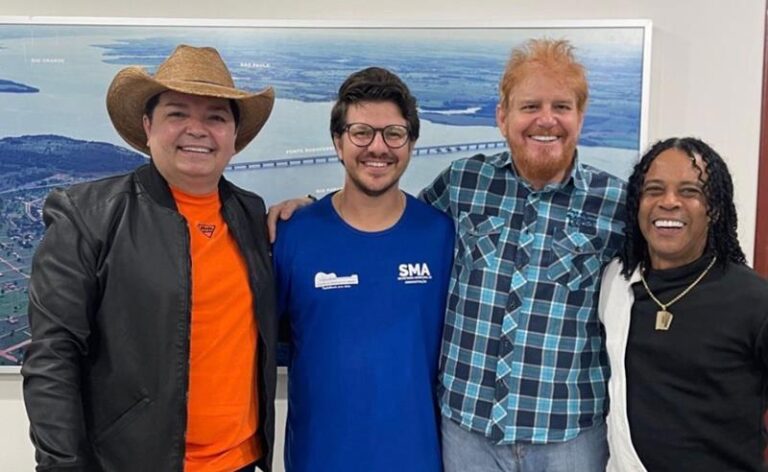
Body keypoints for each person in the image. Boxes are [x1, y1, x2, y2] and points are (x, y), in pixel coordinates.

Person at [268, 39, 625, 471]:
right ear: (502, 117)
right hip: (466, 437)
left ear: (580, 116)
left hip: (567, 437)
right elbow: (377, 216)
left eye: (561, 107)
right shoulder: (463, 185)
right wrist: (309, 207)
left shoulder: (617, 206)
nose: (545, 119)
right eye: (529, 106)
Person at [22, 45, 278, 472]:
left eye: (216, 117)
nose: (197, 130)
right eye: (177, 113)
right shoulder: (88, 216)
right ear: (147, 126)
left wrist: (313, 207)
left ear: (234, 136)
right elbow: (52, 357)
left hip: (240, 462)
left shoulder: (249, 212)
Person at [272, 67, 454, 472]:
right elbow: (261, 345)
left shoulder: (441, 236)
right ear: (338, 142)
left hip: (419, 461)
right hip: (318, 460)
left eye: (394, 133)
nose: (378, 147)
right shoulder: (293, 235)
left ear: (411, 143)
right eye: (360, 133)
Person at [598, 137, 768, 471]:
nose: (669, 202)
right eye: (654, 190)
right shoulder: (616, 282)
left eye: (690, 191)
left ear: (714, 208)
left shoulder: (754, 301)